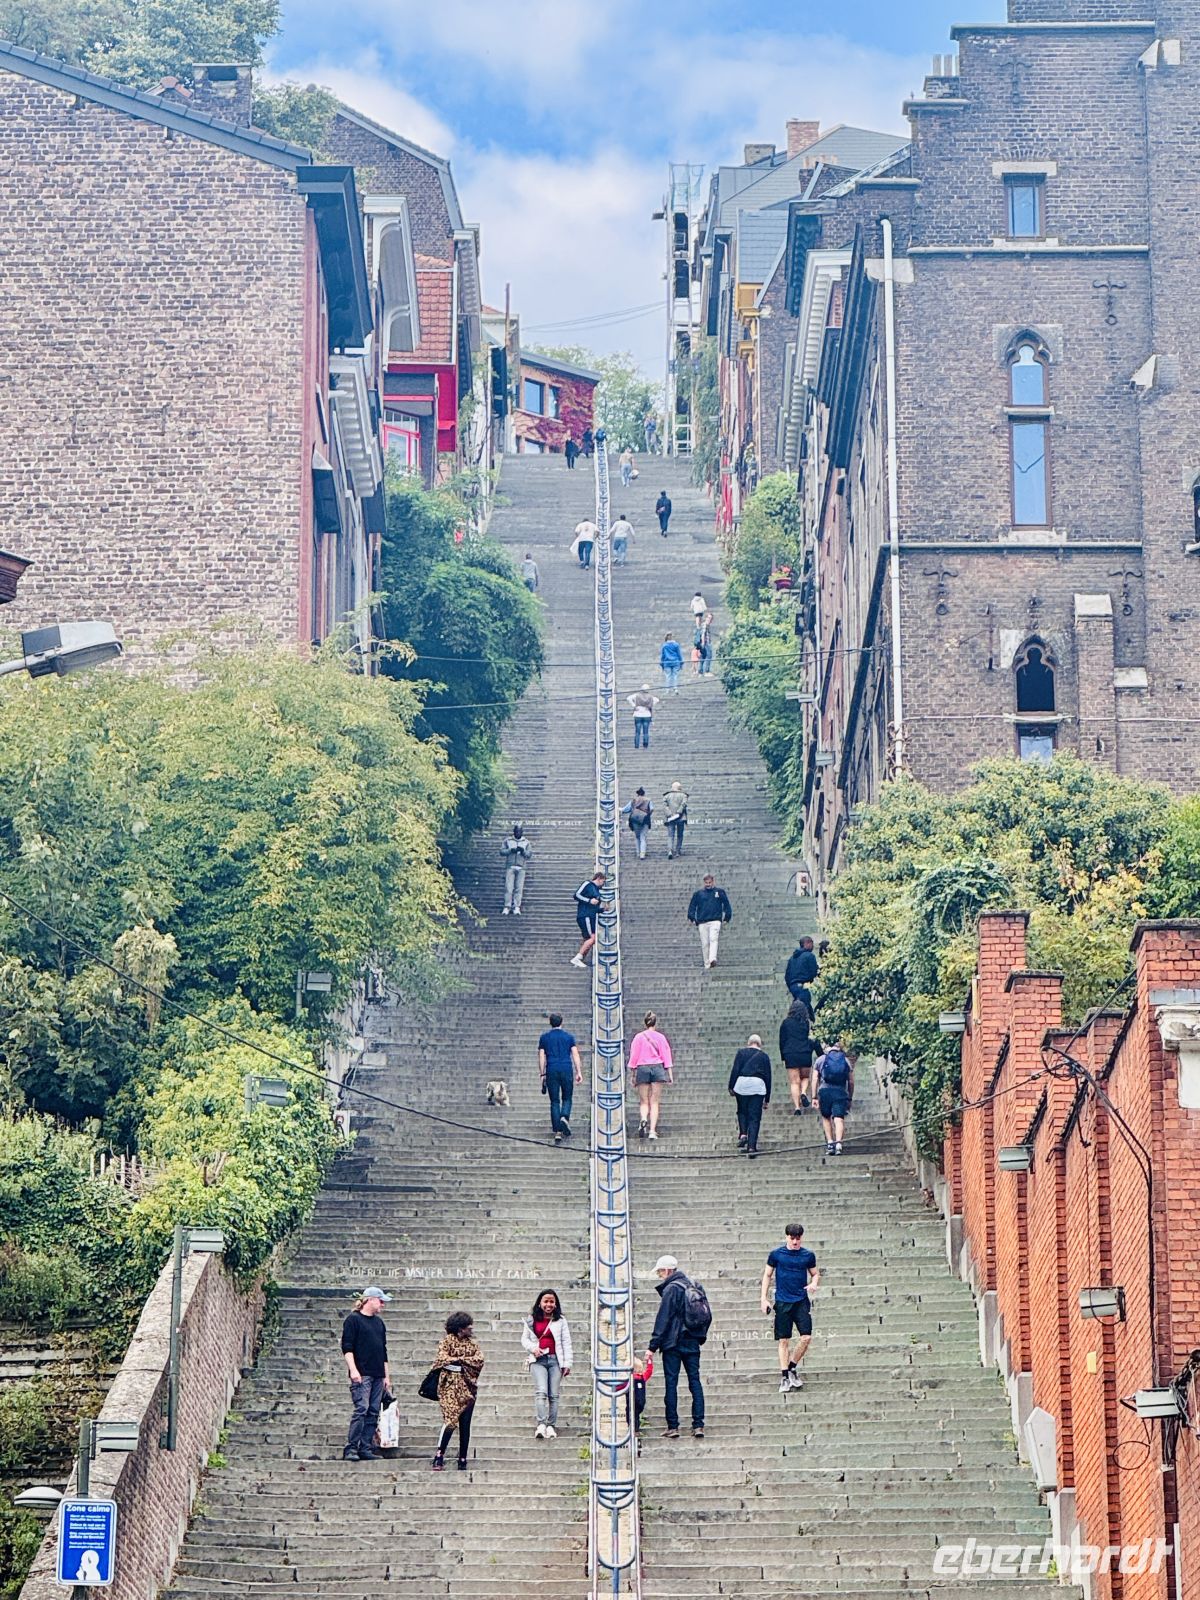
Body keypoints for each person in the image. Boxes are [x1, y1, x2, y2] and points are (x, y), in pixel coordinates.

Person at [647, 1255, 706, 1439]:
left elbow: (663, 1318)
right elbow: (705, 1313)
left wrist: (652, 1346)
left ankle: (673, 1426)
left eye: (659, 1272)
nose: (660, 1276)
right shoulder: (694, 1285)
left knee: (671, 1383)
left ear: (667, 1270)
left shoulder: (671, 1289)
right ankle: (698, 1425)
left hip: (673, 1343)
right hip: (693, 1341)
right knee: (694, 1381)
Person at [762, 1223, 820, 1392]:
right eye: (792, 1238)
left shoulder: (808, 1255)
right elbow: (767, 1275)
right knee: (784, 1340)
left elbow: (815, 1273)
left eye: (798, 1238)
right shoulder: (776, 1255)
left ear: (802, 1237)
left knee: (806, 1337)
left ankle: (792, 1366)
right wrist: (763, 1299)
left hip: (801, 1300)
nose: (795, 1242)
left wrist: (814, 1283)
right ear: (786, 1237)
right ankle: (785, 1376)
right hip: (782, 1301)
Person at [341, 1287, 392, 1460]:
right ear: (370, 1300)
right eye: (380, 1301)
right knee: (361, 1409)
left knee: (373, 1410)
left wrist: (386, 1376)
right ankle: (351, 1447)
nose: (383, 1305)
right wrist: (353, 1370)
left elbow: (383, 1351)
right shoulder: (353, 1320)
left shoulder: (379, 1323)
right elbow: (347, 1347)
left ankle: (365, 1447)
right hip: (362, 1373)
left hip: (378, 1373)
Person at [431, 1310, 484, 1471]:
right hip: (450, 1388)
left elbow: (479, 1360)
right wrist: (460, 1362)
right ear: (460, 1328)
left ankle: (463, 1457)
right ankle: (439, 1455)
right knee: (451, 1420)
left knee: (465, 1424)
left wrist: (459, 1361)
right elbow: (441, 1358)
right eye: (469, 1327)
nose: (471, 1330)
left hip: (468, 1388)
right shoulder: (447, 1341)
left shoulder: (472, 1344)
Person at [522, 1288, 574, 1439]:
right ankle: (541, 1424)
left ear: (556, 1304)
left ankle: (551, 1425)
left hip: (555, 1360)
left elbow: (566, 1342)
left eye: (552, 1301)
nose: (548, 1304)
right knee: (541, 1391)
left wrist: (567, 1364)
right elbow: (524, 1339)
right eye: (546, 1301)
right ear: (540, 1303)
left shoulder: (561, 1320)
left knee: (554, 1395)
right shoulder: (532, 1319)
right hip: (538, 1360)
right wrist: (533, 1348)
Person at [627, 1010, 674, 1141]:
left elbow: (634, 1056)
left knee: (643, 1101)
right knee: (654, 1101)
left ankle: (643, 1119)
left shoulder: (638, 1037)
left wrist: (632, 1073)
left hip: (642, 1068)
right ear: (655, 1023)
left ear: (645, 1023)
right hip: (657, 1067)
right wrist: (669, 1074)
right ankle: (652, 1131)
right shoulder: (661, 1037)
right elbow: (666, 1056)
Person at [538, 1012, 583, 1143]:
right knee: (567, 1097)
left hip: (551, 1069)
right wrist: (578, 1071)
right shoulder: (569, 1037)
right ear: (561, 1022)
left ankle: (557, 1130)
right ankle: (564, 1116)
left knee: (554, 1101)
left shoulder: (544, 1038)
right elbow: (575, 1054)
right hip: (566, 1068)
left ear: (550, 1023)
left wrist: (542, 1073)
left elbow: (541, 1056)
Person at [728, 1033, 771, 1157]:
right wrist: (767, 1098)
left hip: (741, 1084)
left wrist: (731, 1086)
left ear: (749, 1043)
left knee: (742, 1111)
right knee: (754, 1117)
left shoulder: (741, 1053)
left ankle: (743, 1134)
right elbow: (768, 1077)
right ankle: (752, 1147)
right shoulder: (764, 1056)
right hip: (758, 1085)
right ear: (759, 1044)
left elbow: (735, 1069)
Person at [779, 998, 821, 1113]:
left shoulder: (786, 1023)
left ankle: (797, 1107)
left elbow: (782, 1040)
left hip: (790, 1053)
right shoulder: (806, 1023)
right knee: (805, 1077)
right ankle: (803, 1093)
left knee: (794, 1082)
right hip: (805, 1052)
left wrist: (783, 1056)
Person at [687, 874, 732, 969]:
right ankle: (707, 963)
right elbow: (692, 906)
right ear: (704, 883)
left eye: (710, 882)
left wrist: (727, 917)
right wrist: (692, 918)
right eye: (706, 883)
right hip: (702, 921)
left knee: (713, 938)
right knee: (705, 943)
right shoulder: (698, 894)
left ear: (713, 882)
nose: (708, 884)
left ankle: (712, 959)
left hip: (715, 920)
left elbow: (726, 904)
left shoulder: (719, 892)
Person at [817, 1042, 854, 1156]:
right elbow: (851, 1081)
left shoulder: (821, 1059)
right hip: (840, 1091)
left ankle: (830, 1143)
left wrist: (814, 1095)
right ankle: (839, 1144)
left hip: (825, 1091)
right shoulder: (845, 1060)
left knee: (826, 1117)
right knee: (839, 1118)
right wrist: (850, 1097)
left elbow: (814, 1079)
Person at [571, 870, 605, 968]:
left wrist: (602, 910)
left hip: (591, 915)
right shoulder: (588, 884)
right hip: (586, 915)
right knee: (592, 938)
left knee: (588, 939)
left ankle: (579, 960)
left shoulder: (597, 891)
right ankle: (577, 958)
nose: (603, 884)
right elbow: (576, 895)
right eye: (603, 882)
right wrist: (589, 900)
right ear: (599, 878)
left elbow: (594, 908)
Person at [500, 823, 531, 915]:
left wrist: (523, 851)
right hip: (510, 866)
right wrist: (510, 850)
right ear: (514, 832)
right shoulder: (507, 840)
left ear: (522, 832)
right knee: (508, 888)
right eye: (516, 831)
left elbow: (529, 854)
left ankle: (517, 906)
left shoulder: (526, 842)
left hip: (521, 867)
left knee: (519, 888)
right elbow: (501, 851)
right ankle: (507, 906)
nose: (518, 833)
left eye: (520, 831)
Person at [622, 786, 653, 860]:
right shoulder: (648, 800)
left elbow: (626, 809)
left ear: (637, 794)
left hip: (635, 820)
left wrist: (619, 809)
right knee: (643, 837)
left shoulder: (633, 800)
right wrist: (647, 814)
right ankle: (642, 854)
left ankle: (638, 853)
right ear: (644, 794)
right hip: (645, 820)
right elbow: (652, 809)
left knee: (637, 837)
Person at [785, 937, 819, 1005]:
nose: (813, 946)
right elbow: (814, 972)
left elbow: (787, 976)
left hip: (793, 987)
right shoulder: (809, 956)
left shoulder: (792, 958)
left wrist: (791, 986)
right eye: (811, 943)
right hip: (804, 985)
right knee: (805, 1008)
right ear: (806, 944)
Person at [628, 684, 659, 749]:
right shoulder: (650, 697)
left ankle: (636, 745)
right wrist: (651, 705)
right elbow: (657, 700)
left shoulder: (636, 695)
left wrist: (634, 705)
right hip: (647, 714)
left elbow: (628, 698)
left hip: (638, 714)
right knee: (646, 731)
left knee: (637, 731)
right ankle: (645, 744)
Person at [662, 782, 688, 859]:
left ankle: (670, 850)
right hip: (681, 817)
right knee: (680, 835)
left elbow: (664, 806)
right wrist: (679, 812)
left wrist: (669, 814)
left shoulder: (667, 795)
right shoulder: (683, 795)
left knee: (670, 835)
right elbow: (683, 804)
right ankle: (677, 851)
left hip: (670, 818)